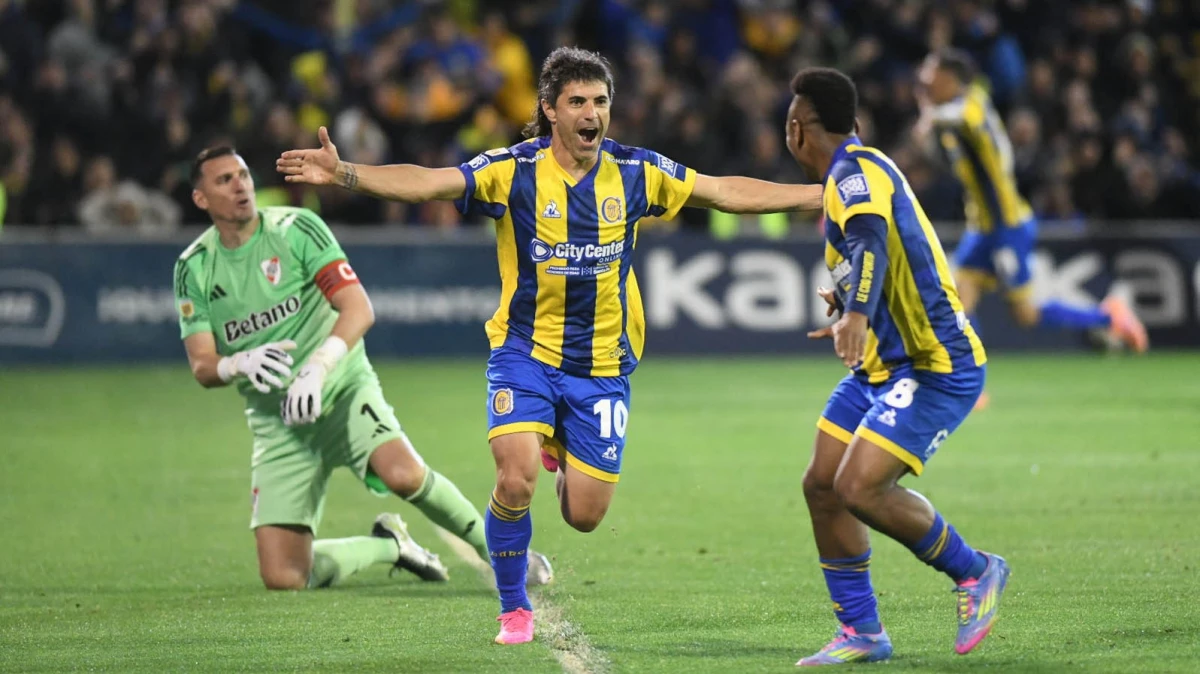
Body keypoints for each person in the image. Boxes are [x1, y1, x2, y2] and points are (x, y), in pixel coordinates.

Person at [277, 46, 824, 645]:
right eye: (578, 102)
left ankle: (560, 445)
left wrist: (819, 196)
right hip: (525, 353)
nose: (592, 113)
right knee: (514, 481)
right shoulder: (511, 171)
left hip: (602, 365)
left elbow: (722, 191)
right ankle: (513, 608)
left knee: (584, 516)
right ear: (550, 110)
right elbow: (430, 184)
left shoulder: (635, 172)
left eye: (600, 102)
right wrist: (345, 173)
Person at [174, 146, 553, 591]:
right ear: (201, 199)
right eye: (224, 180)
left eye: (243, 174)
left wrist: (318, 367)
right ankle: (391, 547)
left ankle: (506, 555)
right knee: (284, 577)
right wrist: (238, 362)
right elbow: (202, 365)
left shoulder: (297, 230)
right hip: (278, 422)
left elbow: (357, 308)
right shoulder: (194, 267)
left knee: (404, 474)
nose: (240, 185)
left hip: (341, 388)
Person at [785, 67, 1009, 666]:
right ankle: (862, 631)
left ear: (797, 129)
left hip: (936, 367)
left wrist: (855, 313)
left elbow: (871, 244)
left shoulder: (855, 173)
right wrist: (851, 308)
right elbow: (882, 252)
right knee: (822, 486)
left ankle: (976, 570)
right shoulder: (857, 170)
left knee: (858, 486)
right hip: (883, 367)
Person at [915, 48, 1148, 409]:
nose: (925, 81)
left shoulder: (971, 105)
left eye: (931, 74)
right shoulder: (952, 114)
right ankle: (968, 384)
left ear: (951, 79)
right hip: (982, 227)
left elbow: (958, 117)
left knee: (1025, 314)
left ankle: (1109, 314)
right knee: (958, 300)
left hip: (1007, 226)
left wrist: (929, 115)